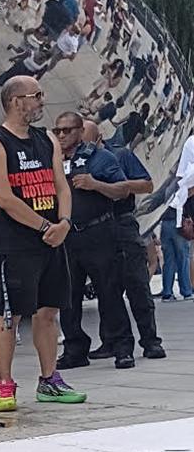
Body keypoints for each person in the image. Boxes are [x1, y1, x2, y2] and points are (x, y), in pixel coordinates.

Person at [0, 77, 84, 412]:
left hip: (52, 239)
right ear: (15, 101)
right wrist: (44, 226)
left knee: (49, 311)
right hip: (17, 244)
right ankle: (4, 384)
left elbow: (61, 185)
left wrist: (64, 222)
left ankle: (49, 380)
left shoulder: (46, 138)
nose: (41, 100)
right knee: (10, 315)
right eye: (35, 95)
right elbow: (5, 198)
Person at [49, 113, 135, 371]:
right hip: (68, 236)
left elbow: (123, 190)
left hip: (98, 233)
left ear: (80, 131)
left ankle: (122, 347)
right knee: (68, 296)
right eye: (58, 130)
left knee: (109, 292)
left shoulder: (100, 157)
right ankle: (75, 349)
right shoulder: (53, 160)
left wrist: (95, 184)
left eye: (67, 130)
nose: (61, 135)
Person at [81, 120, 165, 359]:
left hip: (122, 223)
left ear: (98, 138)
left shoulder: (119, 155)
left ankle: (150, 341)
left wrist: (111, 184)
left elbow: (146, 184)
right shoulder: (77, 160)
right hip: (97, 229)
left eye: (85, 140)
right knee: (106, 289)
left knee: (137, 285)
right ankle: (112, 341)